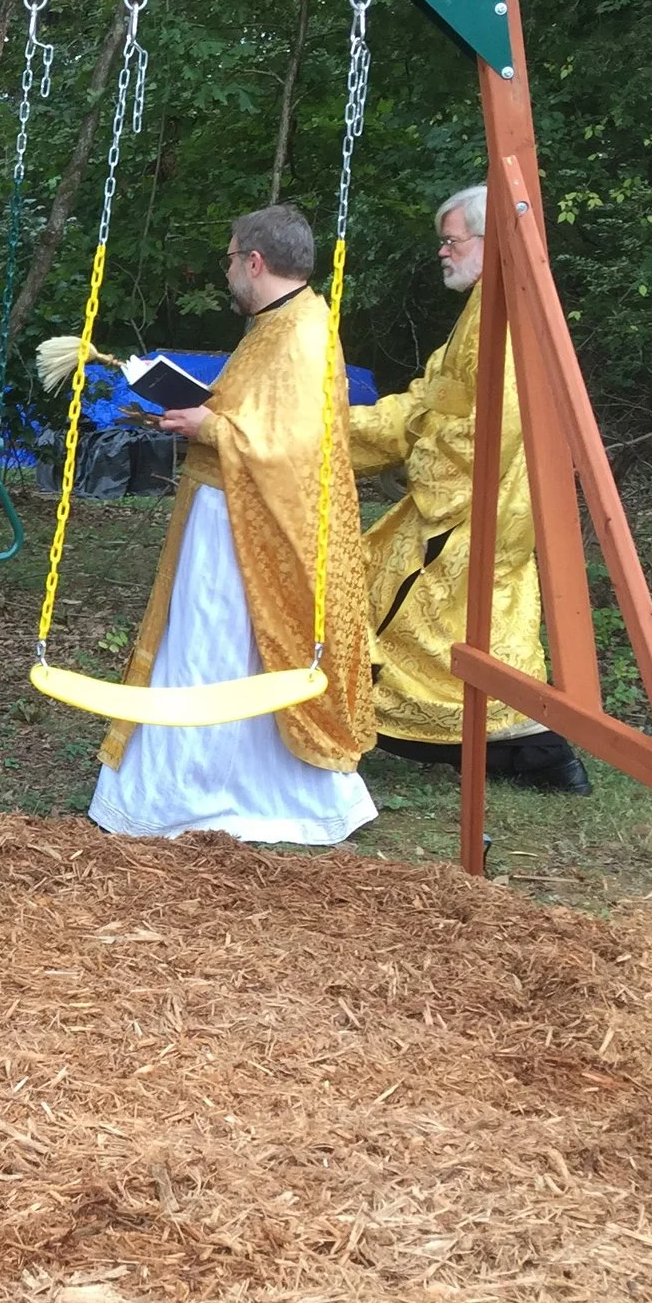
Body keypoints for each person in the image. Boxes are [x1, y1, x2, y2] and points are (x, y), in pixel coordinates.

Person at [88, 204, 377, 845]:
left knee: (213, 650)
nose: (226, 273)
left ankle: (193, 798)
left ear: (254, 261)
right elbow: (260, 415)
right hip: (227, 514)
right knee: (211, 644)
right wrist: (196, 412)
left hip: (248, 528)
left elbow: (295, 448)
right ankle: (205, 790)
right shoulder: (278, 323)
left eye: (228, 259)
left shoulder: (302, 331)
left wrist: (206, 424)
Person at [347, 186, 589, 793]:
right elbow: (428, 403)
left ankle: (530, 749)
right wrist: (340, 429)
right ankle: (527, 753)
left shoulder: (503, 317)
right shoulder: (486, 308)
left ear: (493, 241)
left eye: (452, 239)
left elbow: (489, 427)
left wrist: (425, 476)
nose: (442, 251)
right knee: (475, 630)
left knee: (408, 612)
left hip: (473, 504)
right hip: (481, 503)